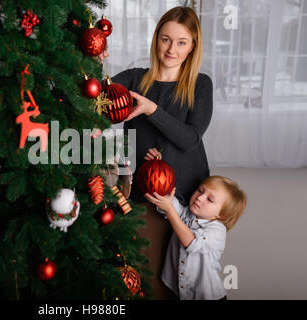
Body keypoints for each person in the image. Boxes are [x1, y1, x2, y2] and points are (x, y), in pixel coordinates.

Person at [99, 6, 214, 299]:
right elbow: (101, 95)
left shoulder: (200, 85)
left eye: (181, 42)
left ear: (192, 47)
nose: (171, 49)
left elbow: (189, 138)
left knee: (186, 278)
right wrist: (94, 67)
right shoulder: (136, 79)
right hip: (144, 196)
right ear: (156, 40)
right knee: (146, 276)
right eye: (165, 39)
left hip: (188, 200)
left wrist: (151, 109)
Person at [143, 166, 247, 300]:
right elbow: (169, 202)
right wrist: (157, 167)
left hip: (206, 295)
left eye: (210, 199)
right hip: (178, 290)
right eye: (200, 190)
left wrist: (170, 211)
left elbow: (191, 242)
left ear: (221, 214)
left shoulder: (217, 231)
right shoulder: (187, 213)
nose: (200, 197)